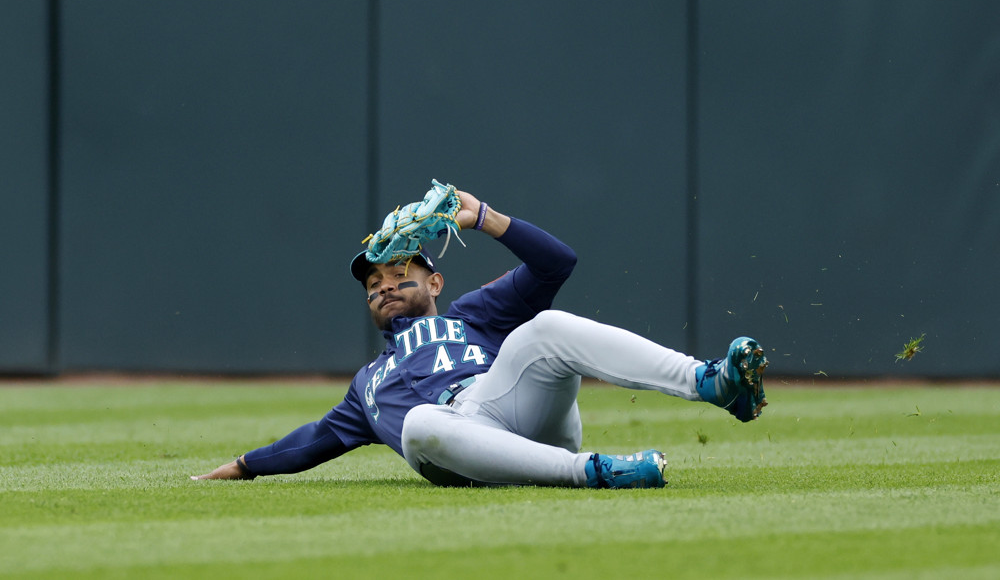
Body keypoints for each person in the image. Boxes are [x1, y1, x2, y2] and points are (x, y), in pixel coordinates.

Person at [193, 189, 767, 489]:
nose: (386, 285)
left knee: (543, 327)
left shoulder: (474, 314)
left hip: (511, 407)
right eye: (374, 281)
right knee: (420, 423)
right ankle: (594, 471)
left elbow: (556, 264)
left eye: (400, 273)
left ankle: (713, 383)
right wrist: (243, 466)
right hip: (455, 446)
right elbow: (310, 443)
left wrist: (486, 219)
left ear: (434, 281)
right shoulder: (367, 386)